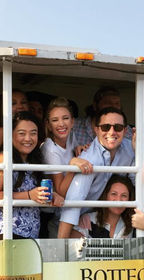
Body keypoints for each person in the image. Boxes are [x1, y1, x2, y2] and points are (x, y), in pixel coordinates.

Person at [57, 107, 144, 239]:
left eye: (118, 127)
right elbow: (72, 206)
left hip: (107, 222)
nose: (112, 132)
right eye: (105, 127)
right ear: (96, 129)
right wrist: (60, 247)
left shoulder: (130, 148)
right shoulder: (88, 159)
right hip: (73, 227)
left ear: (125, 130)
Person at [0, 111, 64, 239]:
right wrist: (29, 195)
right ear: (10, 135)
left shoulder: (33, 160)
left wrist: (49, 195)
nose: (28, 138)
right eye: (22, 133)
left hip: (30, 235)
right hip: (7, 233)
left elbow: (34, 194)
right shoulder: (3, 158)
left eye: (33, 133)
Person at [40, 97, 93, 237]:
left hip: (65, 209)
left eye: (65, 118)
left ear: (72, 121)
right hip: (49, 212)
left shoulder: (71, 137)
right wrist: (72, 166)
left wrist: (80, 149)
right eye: (55, 120)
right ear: (48, 125)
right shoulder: (49, 149)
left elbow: (74, 151)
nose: (61, 124)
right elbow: (60, 191)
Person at [72, 175, 144, 238]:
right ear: (105, 195)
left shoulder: (132, 219)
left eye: (124, 196)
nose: (119, 200)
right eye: (114, 194)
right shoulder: (88, 219)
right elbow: (75, 252)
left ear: (129, 199)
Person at [0, 90, 30, 162]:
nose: (20, 106)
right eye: (13, 103)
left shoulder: (34, 129)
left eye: (23, 102)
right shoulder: (2, 131)